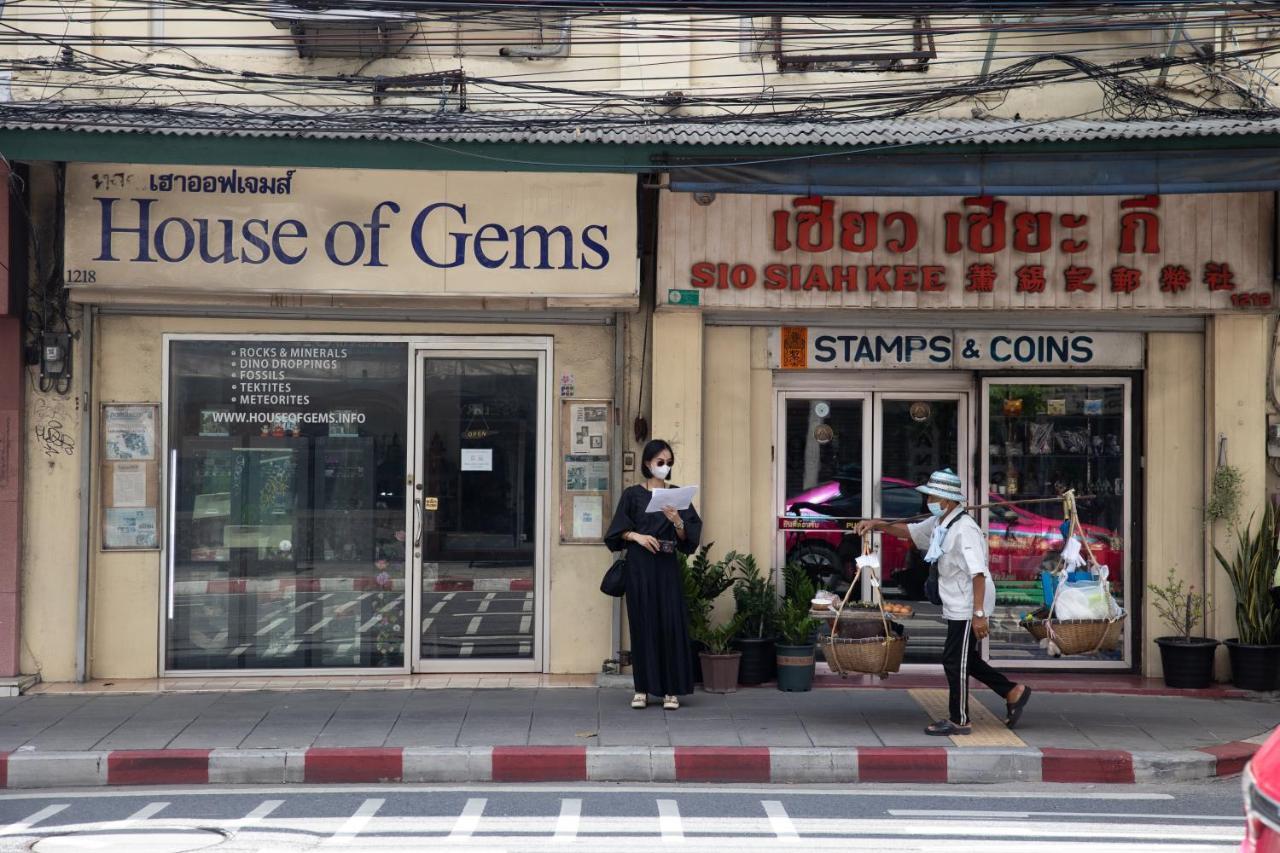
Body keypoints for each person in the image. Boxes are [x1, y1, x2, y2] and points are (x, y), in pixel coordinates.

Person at [857, 468, 1031, 736]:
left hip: (969, 604)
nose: (929, 503)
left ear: (948, 501)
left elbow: (979, 573)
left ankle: (960, 719)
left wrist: (979, 614)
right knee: (964, 659)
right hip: (957, 602)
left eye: (933, 497)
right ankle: (1012, 691)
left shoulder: (965, 530)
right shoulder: (941, 523)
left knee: (954, 660)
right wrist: (877, 524)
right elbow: (910, 532)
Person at [604, 439, 702, 711]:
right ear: (647, 463)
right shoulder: (632, 494)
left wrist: (677, 521)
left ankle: (671, 691)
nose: (665, 466)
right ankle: (642, 689)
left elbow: (688, 540)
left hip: (667, 567)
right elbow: (615, 532)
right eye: (660, 461)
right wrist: (636, 535)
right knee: (642, 624)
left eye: (669, 462)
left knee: (670, 624)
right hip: (640, 567)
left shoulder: (676, 495)